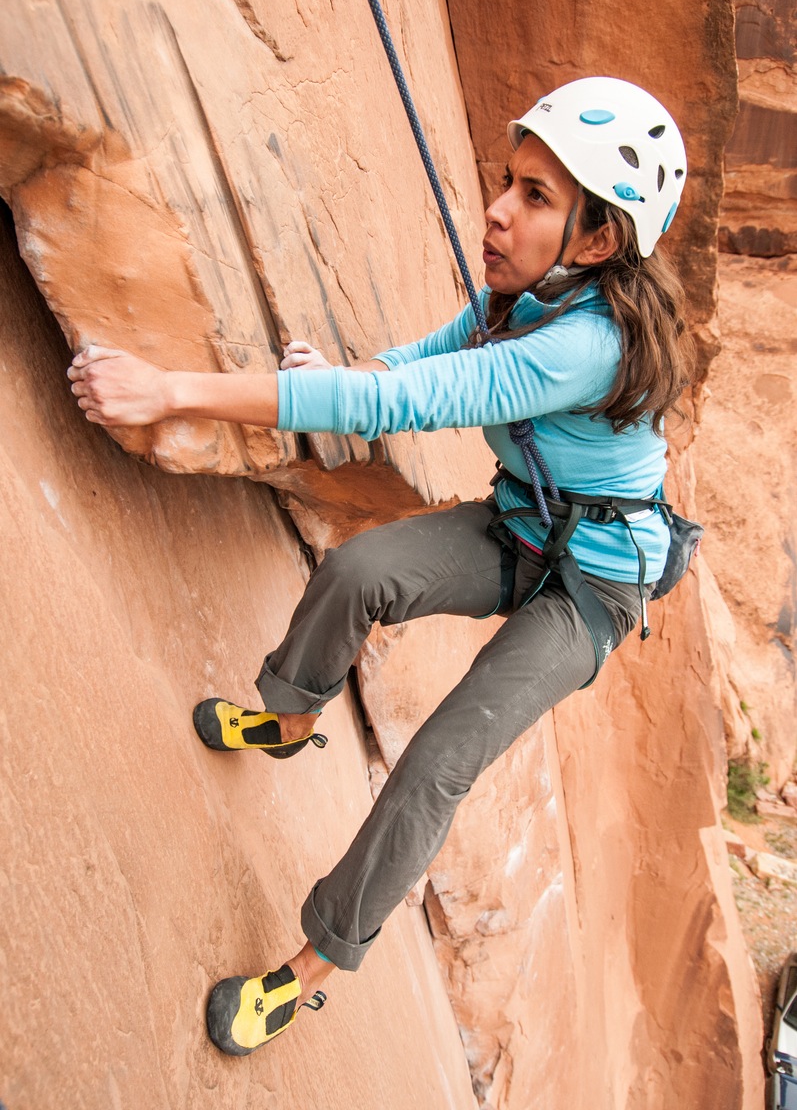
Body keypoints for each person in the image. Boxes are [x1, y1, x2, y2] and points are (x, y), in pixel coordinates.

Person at [68, 76, 695, 1056]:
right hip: (523, 526)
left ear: (596, 239)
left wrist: (170, 390)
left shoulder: (578, 345)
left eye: (533, 196)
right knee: (359, 571)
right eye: (507, 179)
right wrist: (339, 379)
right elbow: (420, 365)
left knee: (437, 765)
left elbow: (402, 405)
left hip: (590, 590)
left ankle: (308, 968)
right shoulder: (524, 298)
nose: (496, 207)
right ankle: (286, 719)